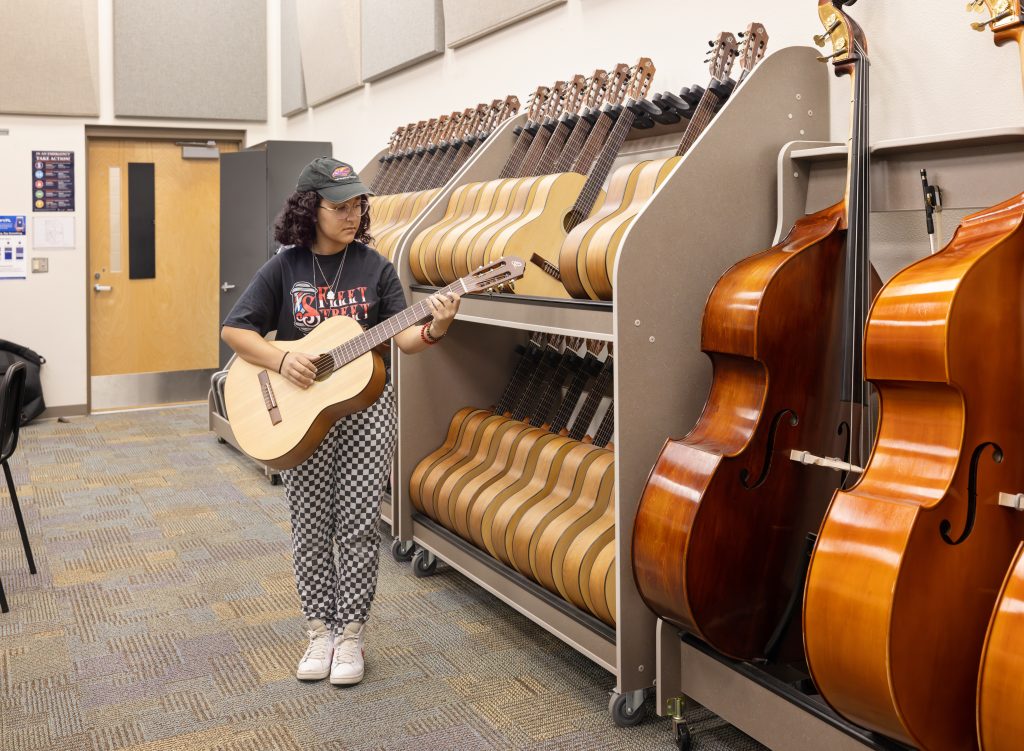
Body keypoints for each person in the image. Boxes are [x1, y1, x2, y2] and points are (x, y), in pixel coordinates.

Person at [221, 157, 460, 686]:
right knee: (310, 524)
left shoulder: (375, 267)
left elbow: (403, 340)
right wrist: (283, 360)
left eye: (358, 205)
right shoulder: (283, 268)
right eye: (340, 207)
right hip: (302, 417)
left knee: (356, 523)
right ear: (311, 210)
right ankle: (318, 632)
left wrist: (436, 327)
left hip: (367, 413)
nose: (352, 216)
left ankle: (350, 633)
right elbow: (235, 332)